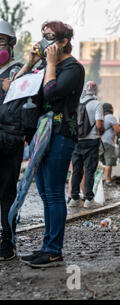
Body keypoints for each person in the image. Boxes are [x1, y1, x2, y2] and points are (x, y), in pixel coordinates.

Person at [19, 21, 85, 267]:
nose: (45, 41)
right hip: (40, 134)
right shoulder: (46, 66)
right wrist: (30, 62)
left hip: (60, 134)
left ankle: (54, 249)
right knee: (45, 193)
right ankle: (47, 246)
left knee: (55, 193)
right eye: (43, 36)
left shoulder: (73, 68)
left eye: (50, 37)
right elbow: (18, 87)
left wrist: (51, 64)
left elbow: (50, 92)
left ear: (64, 41)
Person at [0, 20, 25, 261]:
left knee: (7, 192)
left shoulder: (19, 71)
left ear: (11, 44)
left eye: (0, 41)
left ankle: (7, 241)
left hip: (9, 139)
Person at [68, 81, 104, 208]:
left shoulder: (78, 102)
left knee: (76, 170)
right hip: (91, 141)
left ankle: (74, 198)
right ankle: (89, 199)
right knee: (89, 170)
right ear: (95, 90)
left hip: (77, 141)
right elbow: (99, 124)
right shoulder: (97, 104)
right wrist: (101, 132)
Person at [101, 103, 120, 187]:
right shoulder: (111, 117)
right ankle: (108, 181)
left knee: (103, 162)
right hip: (108, 142)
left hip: (100, 142)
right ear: (110, 109)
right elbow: (117, 129)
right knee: (109, 162)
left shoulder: (102, 117)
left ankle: (102, 179)